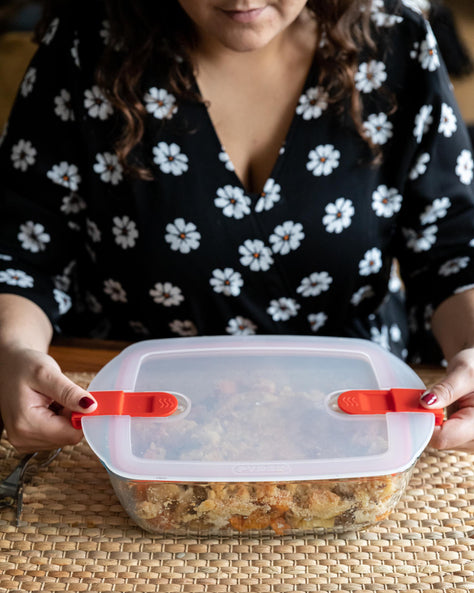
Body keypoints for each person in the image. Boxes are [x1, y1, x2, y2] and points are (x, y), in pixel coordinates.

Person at [1, 0, 474, 453]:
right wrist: (12, 348)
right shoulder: (84, 46)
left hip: (356, 408)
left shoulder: (397, 40)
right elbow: (22, 246)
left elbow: (451, 249)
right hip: (137, 410)